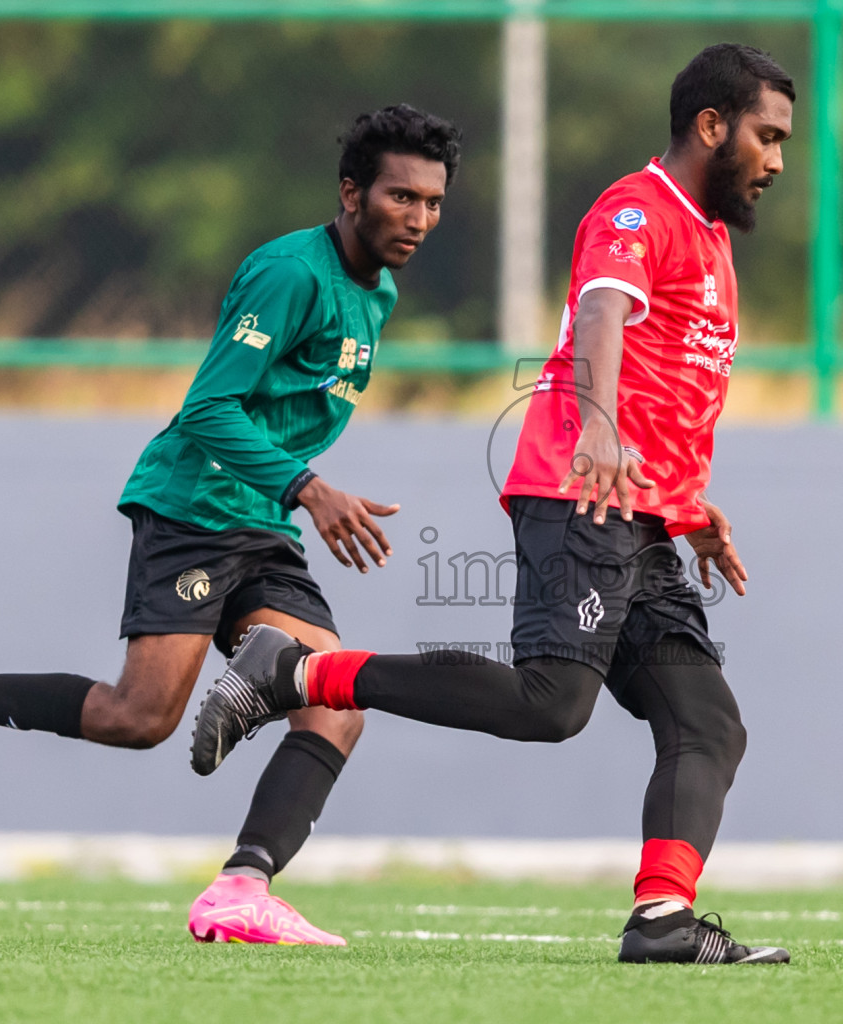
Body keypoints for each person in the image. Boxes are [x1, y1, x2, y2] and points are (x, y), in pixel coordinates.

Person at [192, 44, 795, 965]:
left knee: (707, 720)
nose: (778, 159)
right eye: (767, 135)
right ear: (713, 127)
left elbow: (670, 383)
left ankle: (662, 920)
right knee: (553, 704)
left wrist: (689, 504)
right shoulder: (639, 210)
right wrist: (594, 421)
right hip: (576, 492)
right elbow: (600, 314)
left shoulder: (710, 239)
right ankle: (300, 676)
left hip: (641, 516)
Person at [0, 105, 461, 946]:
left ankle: (242, 886)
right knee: (141, 717)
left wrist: (293, 494)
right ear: (352, 193)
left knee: (336, 702)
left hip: (264, 521)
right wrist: (308, 486)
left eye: (432, 202)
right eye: (400, 197)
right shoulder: (290, 275)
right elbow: (207, 408)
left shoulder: (375, 289)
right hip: (197, 508)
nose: (418, 218)